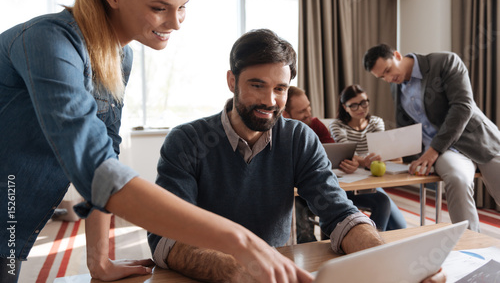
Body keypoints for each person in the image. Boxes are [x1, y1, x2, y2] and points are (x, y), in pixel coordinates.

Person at [0, 0, 313, 282]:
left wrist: (99, 262)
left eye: (182, 8)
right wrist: (239, 239)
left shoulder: (121, 57)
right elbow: (96, 169)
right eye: (159, 8)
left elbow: (108, 156)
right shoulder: (48, 42)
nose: (176, 23)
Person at [147, 29, 445, 283]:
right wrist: (242, 272)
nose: (269, 100)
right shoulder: (186, 141)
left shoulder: (299, 138)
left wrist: (391, 264)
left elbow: (340, 213)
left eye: (280, 88)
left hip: (276, 274)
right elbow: (165, 239)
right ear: (231, 81)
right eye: (256, 85)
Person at [363, 44, 500, 232]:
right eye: (382, 77)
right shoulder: (396, 86)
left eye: (388, 70)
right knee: (457, 179)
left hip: (478, 140)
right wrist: (387, 153)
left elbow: (462, 106)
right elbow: (406, 129)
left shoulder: (445, 62)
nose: (389, 78)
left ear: (397, 55)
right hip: (447, 152)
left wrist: (433, 150)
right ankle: (470, 246)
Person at [329, 84, 407, 231]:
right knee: (382, 202)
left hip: (371, 182)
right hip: (348, 184)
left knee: (400, 227)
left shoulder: (376, 122)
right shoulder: (337, 125)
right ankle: (373, 244)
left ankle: (375, 239)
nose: (361, 109)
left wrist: (361, 160)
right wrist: (365, 161)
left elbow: (379, 152)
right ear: (345, 107)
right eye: (354, 105)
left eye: (364, 103)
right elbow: (347, 153)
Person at [283, 86, 333, 243]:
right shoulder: (279, 135)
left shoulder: (316, 125)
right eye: (302, 111)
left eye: (308, 107)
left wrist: (347, 162)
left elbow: (334, 151)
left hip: (317, 184)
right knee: (303, 226)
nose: (308, 113)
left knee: (334, 210)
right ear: (286, 115)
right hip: (294, 192)